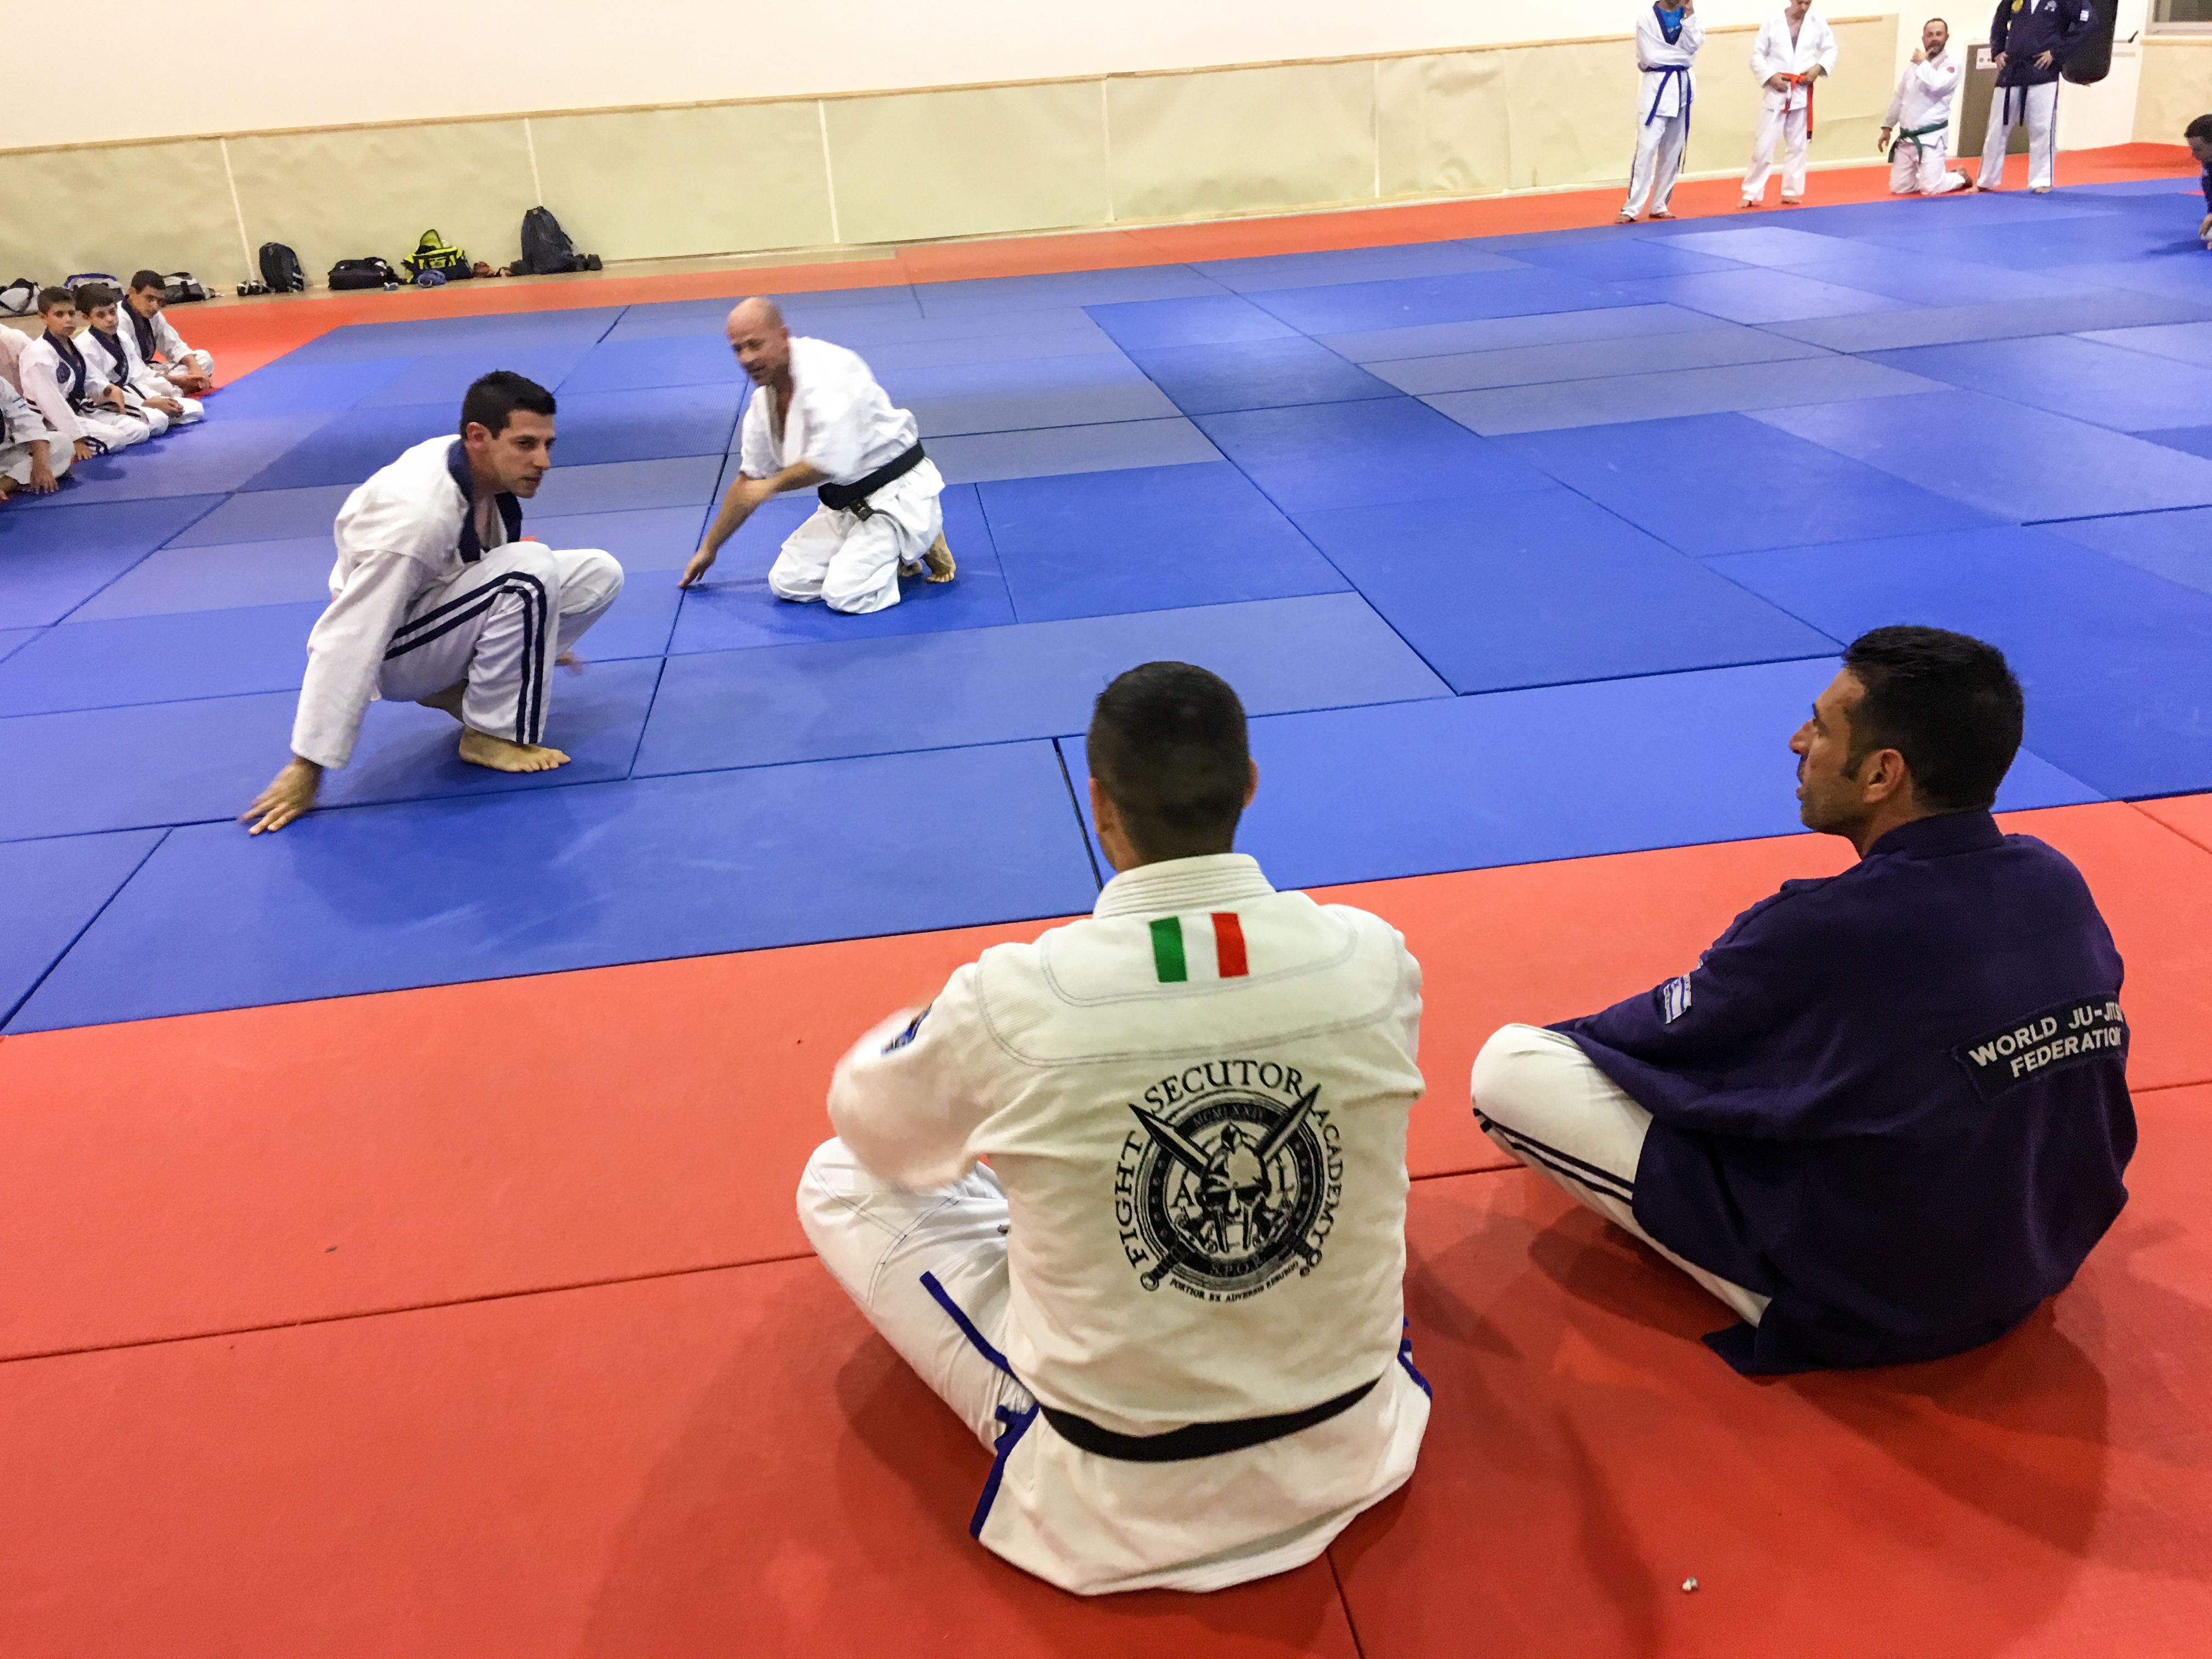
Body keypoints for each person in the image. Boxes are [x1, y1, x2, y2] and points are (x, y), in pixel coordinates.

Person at [798, 662, 1431, 1594]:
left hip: (1118, 1492)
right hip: (1358, 1430)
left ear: (1098, 804)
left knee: (837, 1174)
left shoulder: (1016, 996)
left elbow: (873, 1129)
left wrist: (945, 1023)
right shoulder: (1373, 955)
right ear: (1249, 785)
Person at [1470, 627, 2134, 1375]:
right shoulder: (2055, 879)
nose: (1797, 742)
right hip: (2040, 1250)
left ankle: (1779, 1289)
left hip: (1879, 1300)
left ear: (1881, 773)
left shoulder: (1819, 928)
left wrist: (1582, 1047)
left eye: (1820, 726)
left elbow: (1640, 1041)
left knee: (1513, 1067)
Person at [240, 372, 624, 834]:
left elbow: (475, 565)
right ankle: (489, 735)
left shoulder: (472, 466)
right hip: (392, 651)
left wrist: (533, 630)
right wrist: (307, 766)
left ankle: (463, 689)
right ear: (478, 437)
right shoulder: (416, 520)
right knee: (529, 569)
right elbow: (350, 636)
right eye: (525, 444)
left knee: (597, 573)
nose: (542, 461)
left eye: (547, 445)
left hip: (432, 618)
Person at [678, 296, 953, 613]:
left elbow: (830, 462)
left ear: (783, 336)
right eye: (738, 349)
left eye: (755, 345)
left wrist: (770, 487)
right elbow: (748, 480)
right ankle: (893, 553)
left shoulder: (829, 373)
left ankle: (919, 536)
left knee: (847, 595)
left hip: (897, 493)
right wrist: (710, 548)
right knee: (787, 582)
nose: (747, 358)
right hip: (844, 505)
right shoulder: (763, 404)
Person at [17, 288, 161, 460]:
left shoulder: (72, 346)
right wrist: (75, 437)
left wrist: (107, 390)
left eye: (71, 314)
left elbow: (91, 378)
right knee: (116, 439)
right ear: (43, 318)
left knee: (139, 431)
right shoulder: (39, 355)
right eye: (60, 314)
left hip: (79, 410)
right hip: (49, 423)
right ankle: (60, 449)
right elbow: (50, 403)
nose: (68, 320)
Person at [1977, 0, 2095, 194]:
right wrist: (1997, 51)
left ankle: (2042, 179)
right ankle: (1986, 179)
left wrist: (2057, 53)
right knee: (1996, 128)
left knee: (2042, 128)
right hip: (2012, 70)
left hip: (2043, 71)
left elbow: (2088, 21)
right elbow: (1999, 20)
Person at [1743, 0, 1837, 207]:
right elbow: (1757, 55)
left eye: (1808, 3)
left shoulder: (1817, 22)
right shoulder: (1773, 23)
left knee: (1798, 145)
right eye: (1800, 2)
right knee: (1764, 145)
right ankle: (1751, 192)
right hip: (1777, 90)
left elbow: (1831, 49)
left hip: (1801, 90)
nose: (1804, 7)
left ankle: (1791, 190)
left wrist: (1818, 68)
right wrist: (1770, 77)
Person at [1621, 0, 1705, 224]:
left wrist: (1690, 17)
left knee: (1673, 150)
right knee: (1646, 149)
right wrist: (1681, 56)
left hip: (1682, 86)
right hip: (1656, 87)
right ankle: (1632, 208)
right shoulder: (1647, 18)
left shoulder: (1691, 16)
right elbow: (1650, 57)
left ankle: (1659, 204)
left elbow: (1694, 47)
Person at [74, 284, 194, 432]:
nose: (110, 319)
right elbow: (101, 392)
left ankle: (157, 413)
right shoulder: (84, 347)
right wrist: (148, 403)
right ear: (87, 318)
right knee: (158, 420)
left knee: (195, 409)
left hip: (135, 392)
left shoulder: (123, 338)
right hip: (105, 403)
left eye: (112, 312)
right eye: (101, 315)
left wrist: (154, 398)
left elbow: (138, 377)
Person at [1879, 19, 1970, 196]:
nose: (1934, 38)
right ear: (1923, 38)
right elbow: (1899, 97)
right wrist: (1887, 127)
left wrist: (1923, 63)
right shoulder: (1913, 67)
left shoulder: (1951, 65)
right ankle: (1933, 176)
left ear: (1947, 37)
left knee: (1931, 189)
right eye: (1930, 35)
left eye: (1939, 34)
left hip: (1931, 138)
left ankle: (1959, 177)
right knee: (1899, 187)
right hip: (1907, 138)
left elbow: (1938, 86)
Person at [122, 270, 215, 396]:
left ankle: (174, 391)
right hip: (131, 377)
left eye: (159, 301)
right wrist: (178, 380)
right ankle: (180, 390)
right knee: (156, 385)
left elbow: (175, 346)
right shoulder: (119, 320)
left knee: (204, 359)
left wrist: (196, 369)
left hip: (150, 371)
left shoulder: (154, 316)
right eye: (149, 299)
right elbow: (131, 370)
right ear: (131, 292)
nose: (155, 307)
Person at [0, 370, 70, 500]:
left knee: (62, 443)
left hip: (6, 454)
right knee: (56, 462)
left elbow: (27, 419)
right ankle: (21, 477)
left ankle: (7, 482)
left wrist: (41, 462)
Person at [2186, 112, 2212, 246]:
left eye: (2198, 149)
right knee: (2208, 234)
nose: (2193, 155)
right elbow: (2210, 190)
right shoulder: (2208, 163)